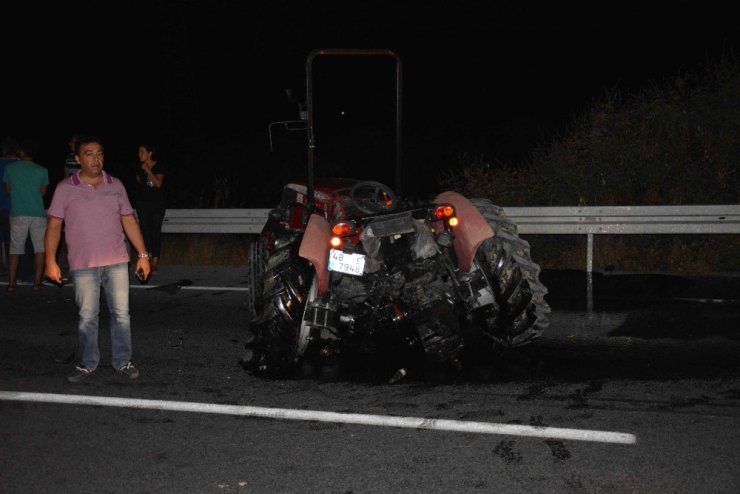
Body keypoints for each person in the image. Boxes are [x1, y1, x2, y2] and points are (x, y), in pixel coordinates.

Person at [44, 135, 151, 383]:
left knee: (122, 314)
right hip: (83, 265)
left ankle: (123, 361)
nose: (96, 158)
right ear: (79, 159)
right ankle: (87, 363)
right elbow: (53, 226)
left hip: (116, 261)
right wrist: (50, 260)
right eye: (89, 154)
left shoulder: (116, 185)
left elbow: (129, 220)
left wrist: (143, 255)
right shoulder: (65, 188)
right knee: (87, 316)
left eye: (100, 153)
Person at [3, 138, 49, 292]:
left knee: (15, 249)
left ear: (21, 153)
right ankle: (36, 283)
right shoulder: (42, 170)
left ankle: (11, 284)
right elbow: (43, 192)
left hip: (18, 213)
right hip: (38, 213)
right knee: (40, 248)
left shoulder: (11, 169)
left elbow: (8, 190)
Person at [134, 143, 166, 274]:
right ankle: (147, 259)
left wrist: (148, 170)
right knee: (144, 230)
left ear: (149, 153)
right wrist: (144, 171)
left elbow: (157, 184)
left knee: (155, 231)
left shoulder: (159, 166)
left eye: (142, 152)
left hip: (157, 204)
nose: (139, 155)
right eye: (138, 152)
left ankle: (155, 263)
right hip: (143, 203)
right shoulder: (139, 168)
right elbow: (144, 184)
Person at [0, 137, 20, 269]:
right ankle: (13, 267)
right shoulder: (22, 165)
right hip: (16, 207)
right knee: (14, 239)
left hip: (2, 205)